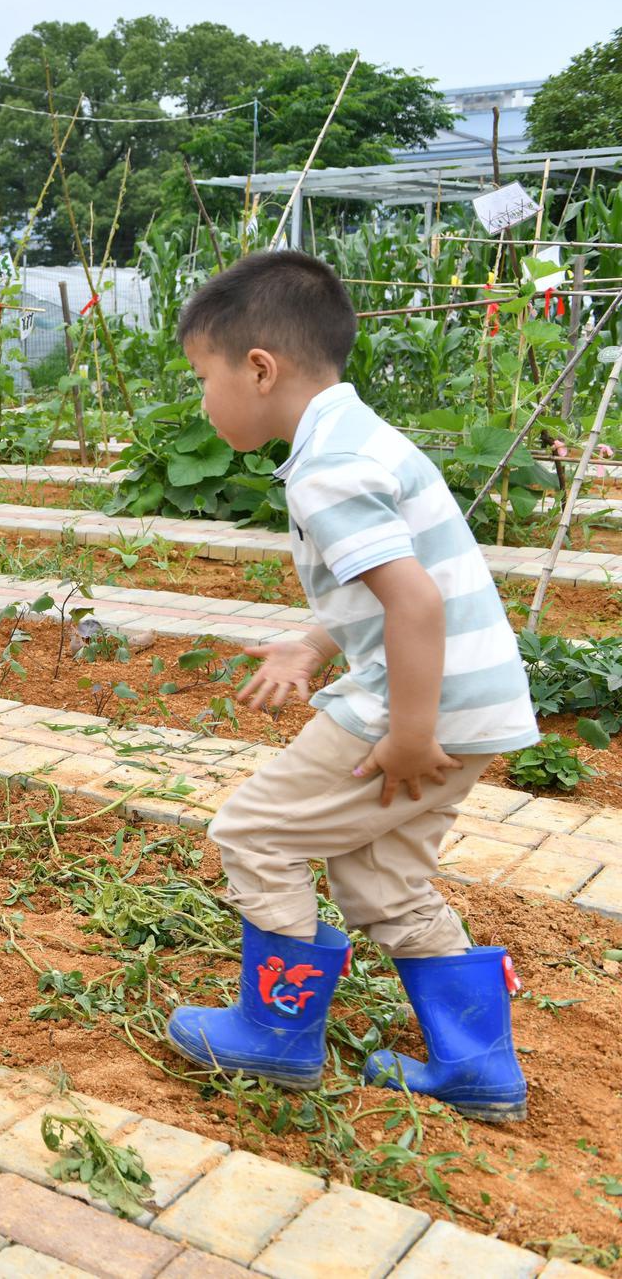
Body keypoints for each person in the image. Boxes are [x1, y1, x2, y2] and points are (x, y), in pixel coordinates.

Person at [163, 251, 537, 1122]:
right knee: (383, 882)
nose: (202, 402)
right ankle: (479, 1064)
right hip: (476, 705)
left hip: (419, 707)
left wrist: (407, 733)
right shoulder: (360, 437)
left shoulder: (327, 470)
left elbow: (413, 601)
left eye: (203, 379)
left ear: (260, 370)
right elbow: (383, 586)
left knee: (255, 828)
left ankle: (276, 1033)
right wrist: (310, 640)